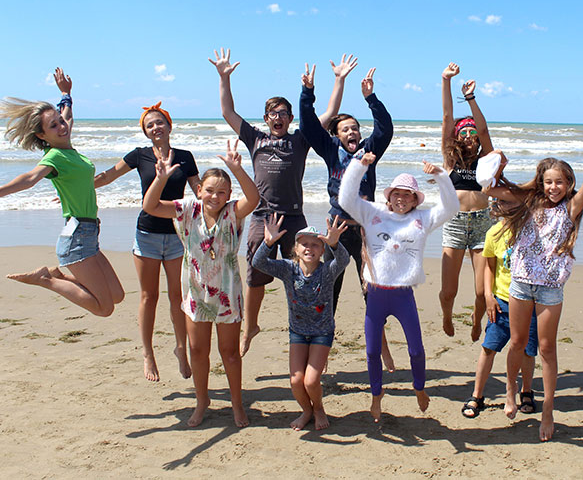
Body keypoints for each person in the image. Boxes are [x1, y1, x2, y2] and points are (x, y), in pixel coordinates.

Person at [210, 48, 347, 357]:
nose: (279, 117)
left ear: (290, 118)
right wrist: (224, 78)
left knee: (305, 271)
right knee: (255, 275)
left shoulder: (300, 139)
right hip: (262, 216)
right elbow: (228, 112)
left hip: (294, 218)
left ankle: (309, 322)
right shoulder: (255, 138)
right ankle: (250, 326)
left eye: (284, 113)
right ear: (266, 118)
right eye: (273, 113)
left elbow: (329, 113)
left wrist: (338, 80)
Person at [484, 126, 583, 441]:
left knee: (546, 348)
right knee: (516, 343)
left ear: (568, 185)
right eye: (549, 181)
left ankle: (548, 410)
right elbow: (490, 190)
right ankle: (511, 391)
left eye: (560, 182)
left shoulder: (571, 207)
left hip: (550, 289)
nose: (554, 187)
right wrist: (497, 165)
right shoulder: (528, 201)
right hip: (521, 284)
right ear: (540, 182)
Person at [0, 68, 125, 316]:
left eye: (60, 121)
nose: (62, 126)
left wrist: (65, 94)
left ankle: (55, 275)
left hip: (89, 233)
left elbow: (68, 115)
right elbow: (30, 178)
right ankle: (46, 280)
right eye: (54, 125)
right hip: (77, 238)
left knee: (117, 295)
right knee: (105, 308)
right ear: (42, 135)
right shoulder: (54, 157)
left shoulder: (67, 147)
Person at [142, 140, 259, 427]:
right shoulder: (186, 209)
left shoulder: (233, 212)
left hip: (227, 292)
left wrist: (237, 169)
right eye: (209, 190)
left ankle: (236, 404)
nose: (215, 196)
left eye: (221, 192)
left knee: (229, 353)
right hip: (196, 291)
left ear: (228, 195)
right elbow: (150, 206)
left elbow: (254, 198)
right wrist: (161, 179)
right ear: (198, 190)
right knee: (197, 351)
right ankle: (202, 401)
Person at [339, 153, 459, 422]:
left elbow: (451, 207)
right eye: (397, 193)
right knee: (372, 352)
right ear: (389, 196)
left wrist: (440, 176)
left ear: (416, 200)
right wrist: (359, 166)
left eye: (408, 195)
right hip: (376, 294)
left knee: (416, 349)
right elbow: (345, 200)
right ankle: (376, 395)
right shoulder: (373, 213)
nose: (402, 199)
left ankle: (419, 388)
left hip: (403, 295)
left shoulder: (423, 219)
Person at [298, 58, 396, 370]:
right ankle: (322, 353)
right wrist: (307, 92)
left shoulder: (369, 150)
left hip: (366, 230)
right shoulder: (330, 150)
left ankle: (382, 348)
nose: (351, 132)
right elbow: (308, 125)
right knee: (329, 292)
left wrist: (371, 98)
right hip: (337, 231)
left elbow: (386, 129)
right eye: (345, 129)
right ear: (337, 135)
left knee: (372, 291)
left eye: (354, 128)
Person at [95, 102, 200, 382]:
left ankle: (181, 349)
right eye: (149, 125)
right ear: (145, 131)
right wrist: (77, 187)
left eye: (159, 122)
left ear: (169, 125)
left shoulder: (185, 157)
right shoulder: (139, 155)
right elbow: (108, 176)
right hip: (147, 235)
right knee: (148, 296)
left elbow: (199, 191)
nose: (155, 127)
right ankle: (148, 354)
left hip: (177, 235)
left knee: (177, 297)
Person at [252, 214, 349, 430]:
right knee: (296, 381)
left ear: (322, 251)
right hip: (297, 332)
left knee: (311, 381)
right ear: (296, 249)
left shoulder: (327, 271)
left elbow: (343, 260)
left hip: (322, 332)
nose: (309, 248)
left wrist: (335, 243)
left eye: (315, 245)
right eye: (304, 244)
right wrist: (268, 243)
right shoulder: (288, 269)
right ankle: (306, 410)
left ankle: (318, 408)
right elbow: (258, 263)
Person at [461, 199, 539, 419]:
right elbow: (489, 267)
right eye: (503, 202)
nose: (510, 207)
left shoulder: (531, 231)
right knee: (489, 347)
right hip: (501, 302)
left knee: (527, 350)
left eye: (513, 202)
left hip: (528, 302)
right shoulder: (493, 234)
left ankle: (526, 391)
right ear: (496, 207)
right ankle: (477, 395)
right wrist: (489, 296)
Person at [439, 63, 495, 341]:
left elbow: (484, 131)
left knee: (482, 292)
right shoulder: (450, 159)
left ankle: (477, 320)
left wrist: (471, 98)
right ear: (457, 137)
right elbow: (447, 117)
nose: (471, 138)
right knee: (449, 291)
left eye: (473, 135)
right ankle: (447, 315)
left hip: (484, 225)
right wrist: (446, 81)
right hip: (455, 225)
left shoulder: (486, 160)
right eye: (465, 134)